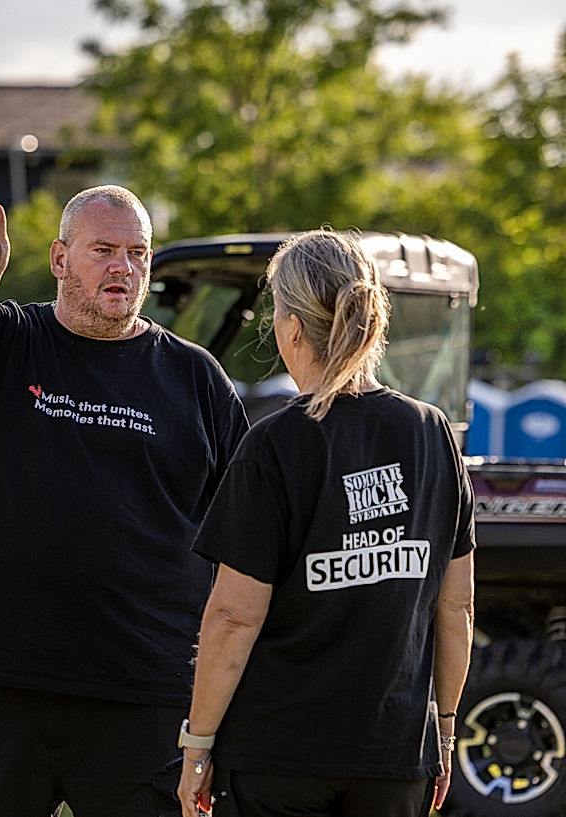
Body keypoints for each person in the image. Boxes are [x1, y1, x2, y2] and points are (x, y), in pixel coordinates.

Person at [0, 185, 249, 816]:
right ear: (61, 258)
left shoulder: (196, 377)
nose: (123, 267)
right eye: (103, 250)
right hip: (0, 681)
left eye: (138, 253)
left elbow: (247, 533)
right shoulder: (8, 337)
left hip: (146, 690)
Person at [176, 229, 475, 817]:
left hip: (277, 758)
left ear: (290, 329)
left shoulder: (273, 445)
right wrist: (442, 730)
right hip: (393, 755)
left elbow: (234, 616)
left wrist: (197, 745)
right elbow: (456, 607)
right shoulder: (432, 434)